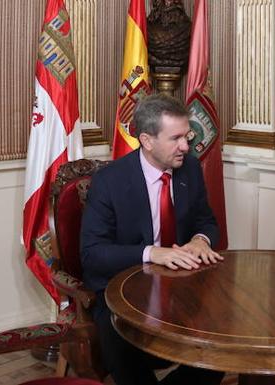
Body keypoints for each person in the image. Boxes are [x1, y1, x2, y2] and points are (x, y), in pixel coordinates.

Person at [81, 93, 224, 385]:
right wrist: (151, 253)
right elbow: (93, 254)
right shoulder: (110, 182)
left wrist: (200, 240)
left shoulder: (190, 169)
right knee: (125, 356)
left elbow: (207, 221)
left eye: (187, 135)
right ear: (147, 140)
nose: (186, 145)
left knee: (217, 352)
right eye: (176, 138)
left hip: (180, 288)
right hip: (120, 294)